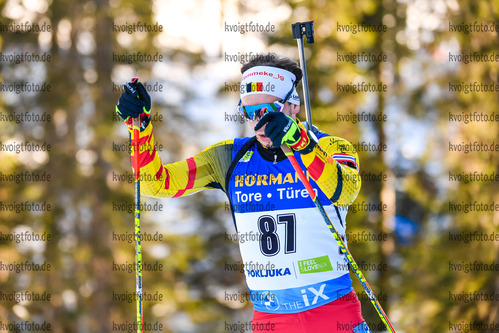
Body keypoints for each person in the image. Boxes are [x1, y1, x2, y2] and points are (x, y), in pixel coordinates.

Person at [115, 53, 370, 332]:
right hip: (270, 319)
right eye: (249, 112)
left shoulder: (330, 147)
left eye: (267, 112)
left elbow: (345, 191)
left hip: (333, 315)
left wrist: (300, 142)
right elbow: (156, 183)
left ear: (292, 105)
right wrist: (139, 127)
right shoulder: (229, 158)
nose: (258, 123)